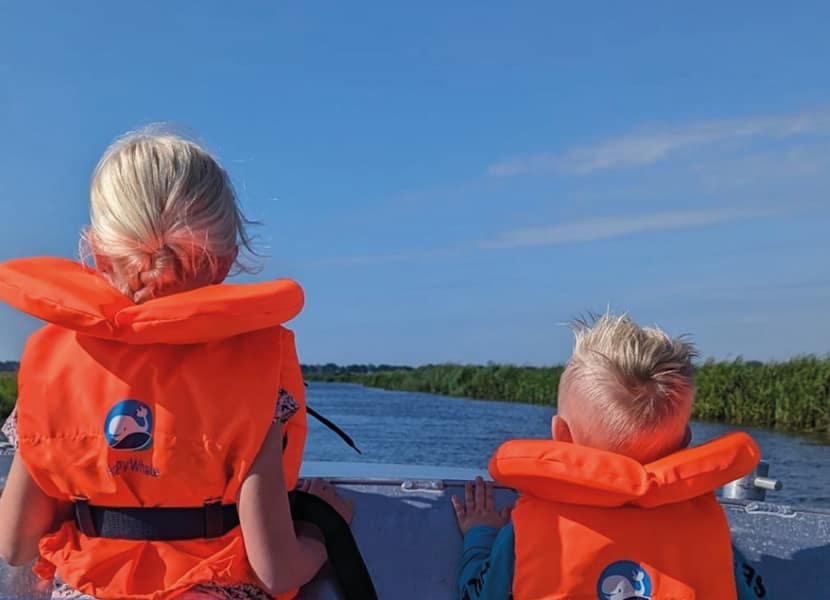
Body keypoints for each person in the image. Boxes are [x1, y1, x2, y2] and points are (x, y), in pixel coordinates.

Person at [0, 128, 352, 600]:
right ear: (226, 259)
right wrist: (321, 535)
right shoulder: (254, 372)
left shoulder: (53, 363)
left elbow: (17, 545)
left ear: (99, 253)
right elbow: (278, 571)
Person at [452, 313, 768, 600]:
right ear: (684, 443)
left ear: (561, 435)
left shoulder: (525, 532)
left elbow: (476, 596)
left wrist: (481, 534)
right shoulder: (709, 532)